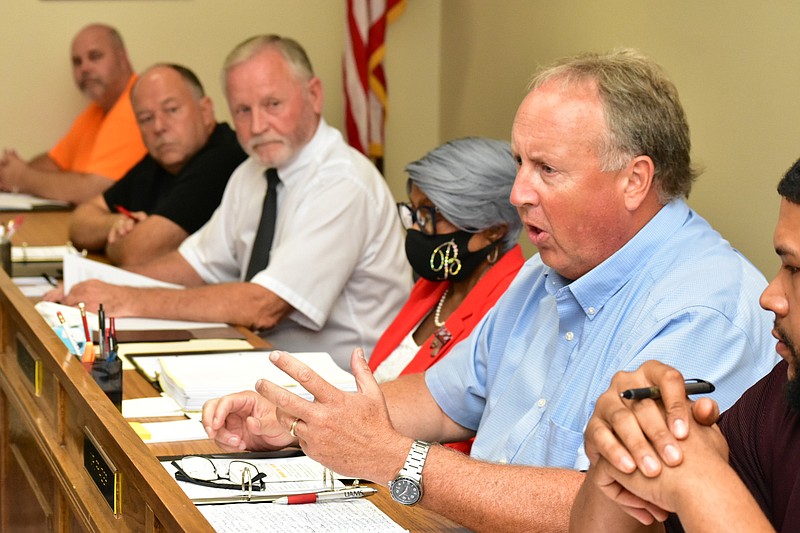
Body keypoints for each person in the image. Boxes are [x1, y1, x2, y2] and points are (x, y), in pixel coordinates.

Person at [200, 49, 779, 531]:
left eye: (546, 170)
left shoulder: (704, 310)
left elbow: (608, 508)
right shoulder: (544, 272)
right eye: (518, 163)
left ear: (635, 180)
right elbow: (439, 399)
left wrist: (395, 460)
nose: (519, 192)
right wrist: (300, 418)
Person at [53, 35, 411, 368]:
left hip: (342, 388)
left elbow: (264, 305)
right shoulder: (252, 173)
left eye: (272, 104)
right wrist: (97, 285)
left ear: (314, 95)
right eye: (242, 110)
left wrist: (130, 299)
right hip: (260, 362)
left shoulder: (342, 183)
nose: (257, 125)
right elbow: (194, 265)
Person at [569, 158, 800, 533]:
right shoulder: (780, 399)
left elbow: (704, 489)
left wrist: (702, 483)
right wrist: (630, 443)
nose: (770, 297)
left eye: (795, 270)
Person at [370, 137, 523, 385]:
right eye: (415, 212)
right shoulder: (435, 283)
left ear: (493, 230)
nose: (418, 228)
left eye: (429, 215)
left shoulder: (511, 306)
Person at [68, 63, 247, 267]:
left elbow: (136, 252)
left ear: (205, 111)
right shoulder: (160, 161)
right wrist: (117, 224)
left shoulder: (224, 158)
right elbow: (80, 221)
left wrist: (113, 241)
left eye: (172, 110)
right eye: (146, 118)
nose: (159, 127)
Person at [0, 23, 146, 204]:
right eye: (77, 62)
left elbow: (96, 190)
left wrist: (22, 178)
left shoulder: (140, 103)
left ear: (122, 57)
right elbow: (54, 162)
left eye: (95, 56)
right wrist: (9, 173)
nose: (84, 68)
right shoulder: (98, 109)